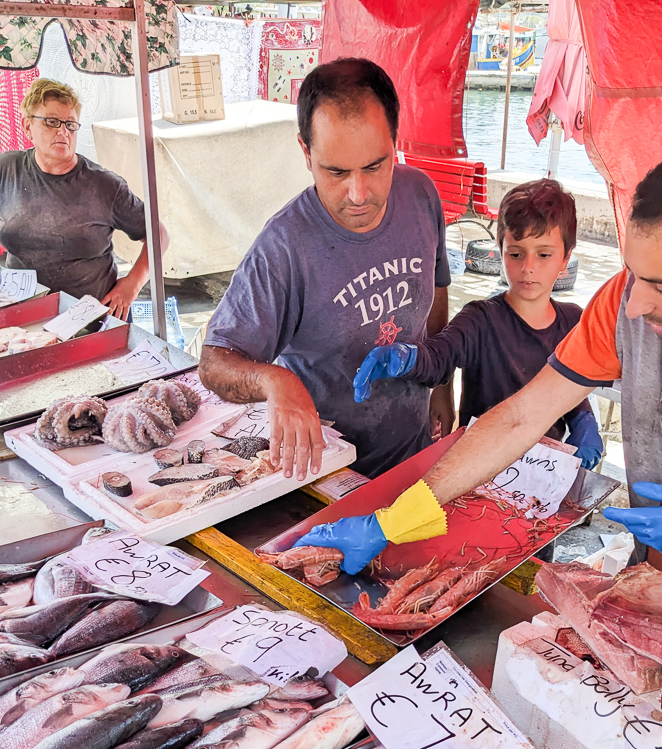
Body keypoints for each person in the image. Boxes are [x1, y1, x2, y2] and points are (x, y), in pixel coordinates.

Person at [293, 151, 662, 574]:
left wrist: (582, 421)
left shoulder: (571, 316)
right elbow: (520, 417)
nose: (634, 306)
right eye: (632, 275)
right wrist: (390, 522)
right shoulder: (617, 307)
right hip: (647, 568)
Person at [199, 57, 451, 483]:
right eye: (336, 171)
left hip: (413, 452)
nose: (358, 194)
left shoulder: (421, 194)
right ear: (306, 152)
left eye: (375, 166)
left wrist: (442, 385)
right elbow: (213, 363)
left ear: (395, 141)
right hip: (326, 474)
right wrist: (275, 381)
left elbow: (437, 292)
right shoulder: (285, 246)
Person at [353, 177, 602, 468]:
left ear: (566, 258)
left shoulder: (573, 322)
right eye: (516, 253)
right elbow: (439, 356)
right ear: (500, 249)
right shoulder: (480, 319)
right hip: (475, 469)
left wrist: (583, 417)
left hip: (541, 472)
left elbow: (568, 387)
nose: (528, 267)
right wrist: (408, 357)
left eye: (544, 254)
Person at [0, 78, 169, 320]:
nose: (63, 132)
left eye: (70, 124)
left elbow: (158, 235)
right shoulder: (7, 169)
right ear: (27, 126)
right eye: (51, 122)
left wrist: (132, 284)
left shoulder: (105, 186)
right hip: (23, 313)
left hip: (91, 318)